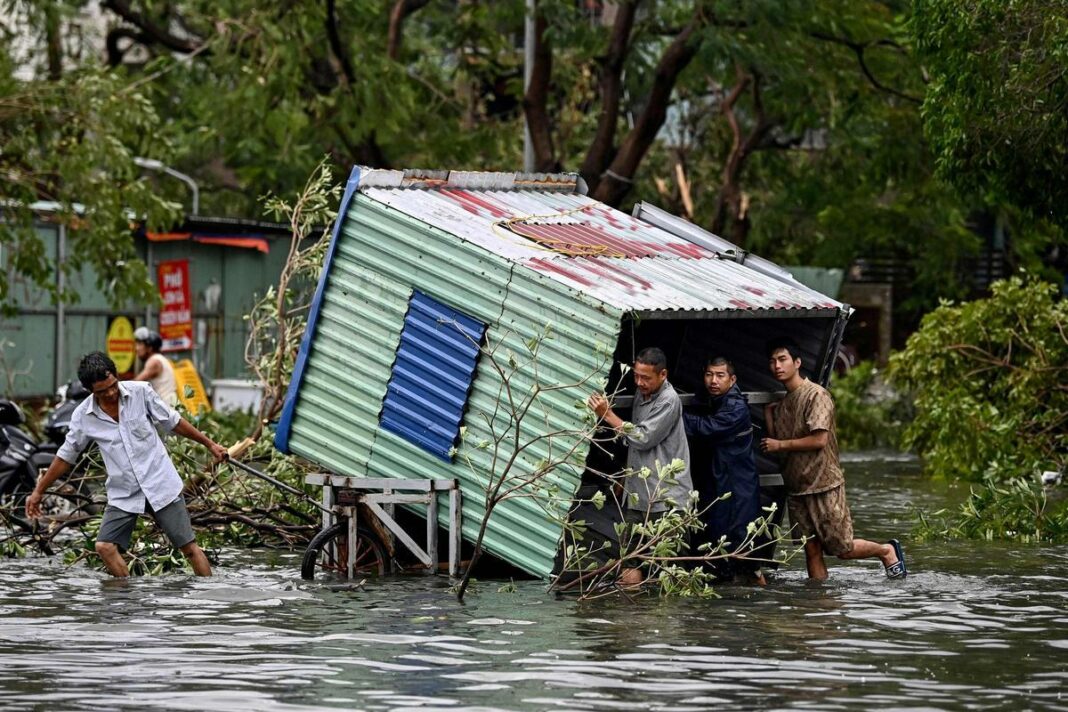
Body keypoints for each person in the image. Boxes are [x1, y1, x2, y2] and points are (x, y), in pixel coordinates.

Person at [26, 352, 228, 577]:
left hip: (160, 483)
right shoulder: (83, 416)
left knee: (189, 548)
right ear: (91, 391)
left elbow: (174, 422)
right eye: (102, 391)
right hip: (124, 492)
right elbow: (65, 457)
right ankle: (129, 602)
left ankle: (208, 598)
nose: (111, 393)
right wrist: (38, 492)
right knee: (104, 547)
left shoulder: (141, 392)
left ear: (116, 376)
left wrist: (210, 445)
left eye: (113, 385)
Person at [761, 337, 907, 580]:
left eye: (782, 359)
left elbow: (819, 440)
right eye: (773, 361)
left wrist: (779, 443)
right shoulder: (784, 403)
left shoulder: (816, 395)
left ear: (797, 362)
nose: (777, 365)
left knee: (842, 549)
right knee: (811, 550)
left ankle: (886, 550)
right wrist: (769, 415)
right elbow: (777, 446)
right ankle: (820, 605)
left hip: (823, 483)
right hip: (797, 488)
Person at [587, 347, 693, 585]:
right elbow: (634, 446)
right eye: (636, 376)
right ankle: (632, 620)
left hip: (667, 500)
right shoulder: (641, 394)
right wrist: (627, 476)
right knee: (630, 561)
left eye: (646, 378)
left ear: (663, 375)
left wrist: (607, 415)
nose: (639, 382)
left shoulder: (668, 399)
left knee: (672, 571)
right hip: (639, 496)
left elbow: (642, 438)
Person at [683, 357, 765, 584]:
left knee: (741, 546)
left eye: (720, 375)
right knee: (720, 542)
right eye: (709, 374)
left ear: (732, 379)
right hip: (722, 483)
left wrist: (674, 414)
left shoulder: (735, 407)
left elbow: (707, 428)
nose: (713, 381)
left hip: (737, 487)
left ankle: (755, 590)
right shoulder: (713, 399)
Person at [133, 327, 178, 404]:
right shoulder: (160, 359)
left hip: (165, 409)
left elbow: (135, 383)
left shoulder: (154, 362)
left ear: (149, 348)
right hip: (166, 407)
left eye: (140, 344)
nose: (137, 348)